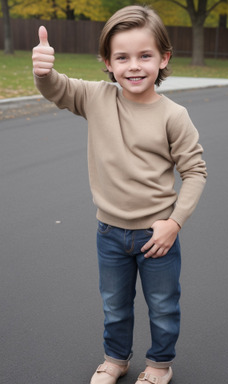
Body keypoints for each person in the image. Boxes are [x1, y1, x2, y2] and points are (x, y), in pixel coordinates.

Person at [32, 5, 207, 384]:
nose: (134, 66)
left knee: (162, 307)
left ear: (164, 58)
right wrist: (43, 71)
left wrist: (174, 223)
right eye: (122, 57)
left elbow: (194, 172)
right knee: (114, 305)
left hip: (156, 236)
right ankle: (116, 359)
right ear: (107, 63)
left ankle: (160, 365)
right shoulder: (96, 98)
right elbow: (57, 89)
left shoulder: (174, 115)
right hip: (109, 233)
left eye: (145, 56)